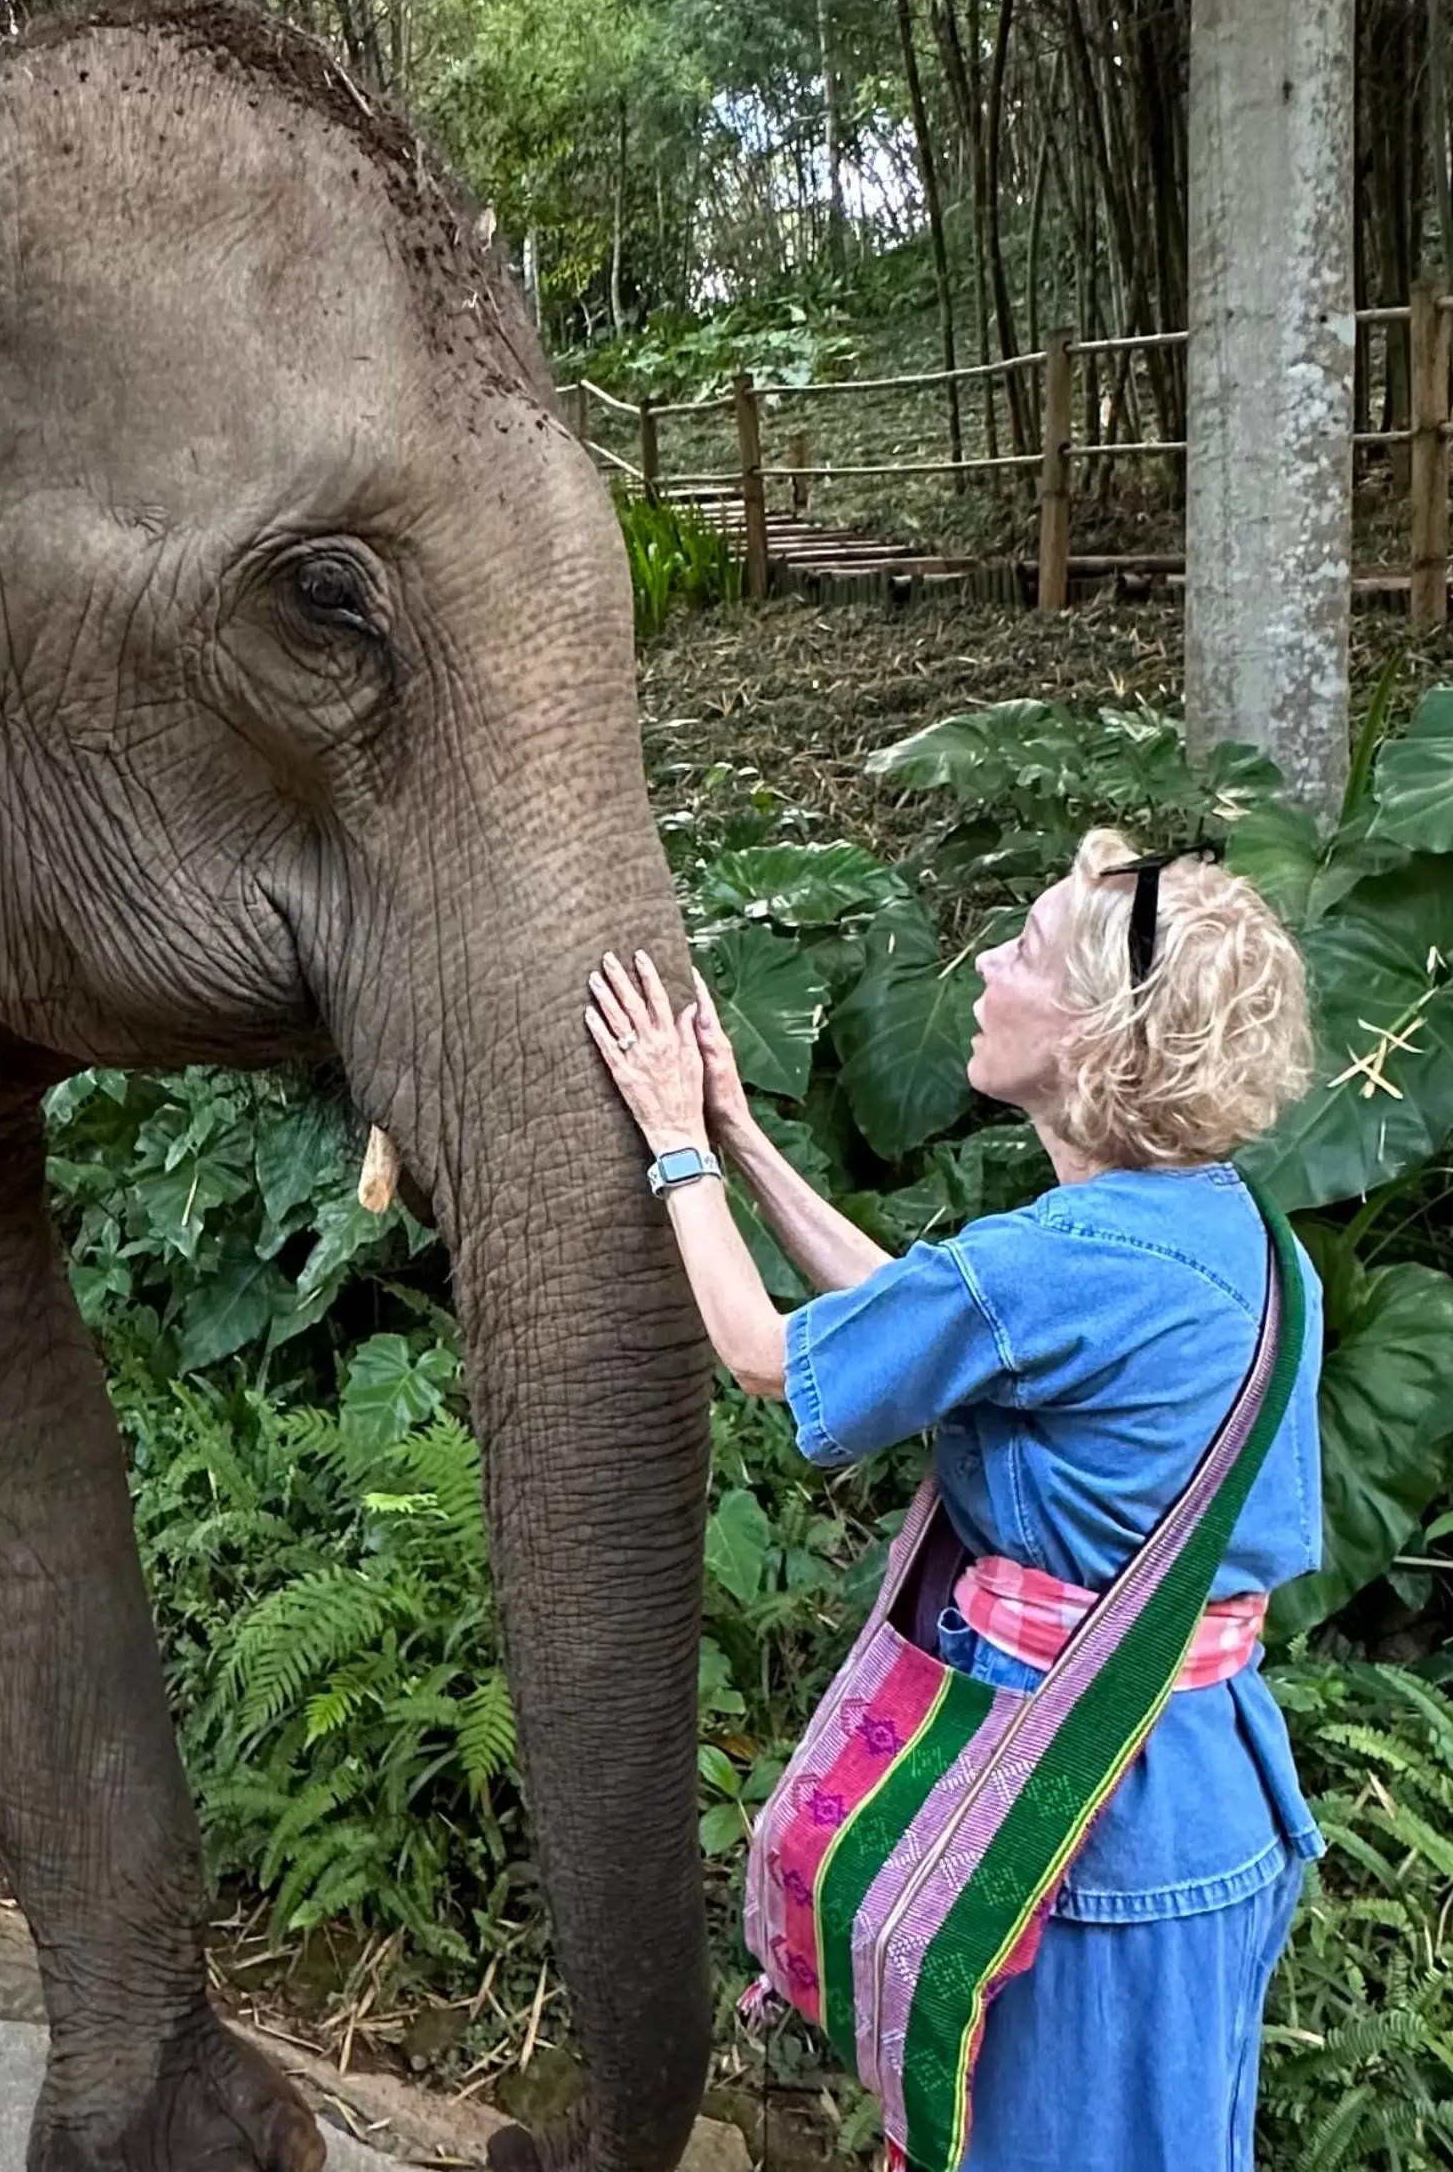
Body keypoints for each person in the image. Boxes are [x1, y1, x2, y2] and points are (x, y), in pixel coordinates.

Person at [586, 830, 1324, 2172]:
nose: (985, 966)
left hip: (1090, 1825)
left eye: (1028, 950)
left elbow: (765, 1354)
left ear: (1105, 1034)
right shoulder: (1235, 1234)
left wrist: (674, 1146)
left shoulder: (1068, 1257)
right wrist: (745, 1135)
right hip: (1206, 1787)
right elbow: (923, 1323)